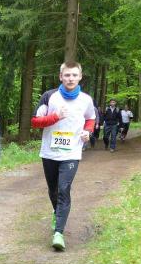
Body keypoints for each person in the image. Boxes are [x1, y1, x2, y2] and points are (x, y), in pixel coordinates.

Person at [31, 61, 96, 251]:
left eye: (74, 75)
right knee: (53, 190)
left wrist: (88, 132)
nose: (70, 78)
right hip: (49, 152)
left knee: (64, 189)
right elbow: (35, 122)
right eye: (67, 75)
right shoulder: (49, 97)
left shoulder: (86, 100)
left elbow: (91, 118)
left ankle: (58, 233)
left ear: (80, 77)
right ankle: (56, 212)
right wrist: (55, 117)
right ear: (61, 77)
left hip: (72, 153)